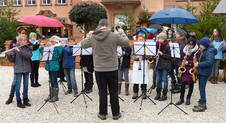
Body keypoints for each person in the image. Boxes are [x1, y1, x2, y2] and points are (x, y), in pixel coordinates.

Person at [81, 19, 129, 120]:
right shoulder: (114, 35)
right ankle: (116, 114)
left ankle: (102, 114)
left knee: (102, 91)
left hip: (99, 68)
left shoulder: (93, 36)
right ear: (108, 25)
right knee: (114, 91)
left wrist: (88, 35)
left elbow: (83, 45)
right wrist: (123, 33)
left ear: (99, 26)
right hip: (112, 68)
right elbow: (126, 43)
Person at [6, 35, 32, 108]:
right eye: (24, 40)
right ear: (19, 41)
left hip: (26, 69)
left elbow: (28, 56)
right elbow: (12, 60)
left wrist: (19, 51)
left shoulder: (28, 48)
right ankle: (18, 101)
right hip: (18, 69)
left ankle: (25, 99)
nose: (25, 41)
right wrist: (9, 55)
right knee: (18, 86)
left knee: (26, 85)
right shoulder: (15, 48)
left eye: (26, 40)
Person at [193, 37, 217, 112]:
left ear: (205, 45)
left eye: (201, 45)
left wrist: (198, 64)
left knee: (202, 88)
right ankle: (202, 101)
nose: (199, 46)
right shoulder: (206, 50)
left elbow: (209, 62)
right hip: (203, 71)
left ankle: (203, 104)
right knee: (201, 88)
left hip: (205, 72)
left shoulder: (209, 52)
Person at [176, 37, 201, 105]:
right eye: (188, 45)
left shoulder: (197, 52)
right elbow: (181, 60)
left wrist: (189, 63)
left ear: (194, 45)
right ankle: (181, 98)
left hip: (191, 69)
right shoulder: (184, 50)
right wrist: (179, 66)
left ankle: (188, 98)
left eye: (191, 45)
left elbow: (197, 61)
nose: (189, 47)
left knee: (191, 84)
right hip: (184, 70)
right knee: (182, 84)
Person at [40, 35, 63, 102]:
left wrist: (56, 46)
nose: (51, 42)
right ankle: (51, 95)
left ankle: (55, 96)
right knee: (51, 80)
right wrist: (41, 48)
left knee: (54, 80)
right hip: (49, 65)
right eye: (51, 41)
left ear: (56, 41)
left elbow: (59, 53)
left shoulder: (58, 47)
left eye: (52, 41)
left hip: (54, 65)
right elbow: (44, 54)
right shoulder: (51, 47)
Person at [131, 34, 150, 99]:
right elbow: (132, 56)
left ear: (144, 40)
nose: (141, 41)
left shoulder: (146, 46)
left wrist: (143, 56)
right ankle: (135, 92)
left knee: (144, 77)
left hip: (144, 62)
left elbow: (149, 56)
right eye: (139, 39)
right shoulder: (134, 46)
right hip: (137, 63)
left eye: (142, 39)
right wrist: (136, 57)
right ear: (137, 40)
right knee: (136, 77)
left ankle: (143, 92)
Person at [154, 32, 171, 101]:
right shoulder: (156, 46)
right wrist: (155, 56)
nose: (160, 40)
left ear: (164, 39)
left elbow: (169, 57)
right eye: (159, 39)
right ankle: (158, 93)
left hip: (165, 65)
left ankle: (164, 94)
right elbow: (153, 54)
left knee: (165, 80)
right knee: (158, 79)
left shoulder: (167, 46)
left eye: (161, 39)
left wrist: (162, 54)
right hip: (158, 65)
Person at [170, 29, 187, 94]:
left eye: (177, 34)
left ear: (181, 35)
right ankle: (174, 82)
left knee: (178, 73)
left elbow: (179, 52)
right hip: (173, 60)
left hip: (178, 60)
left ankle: (179, 85)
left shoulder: (181, 42)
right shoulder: (176, 41)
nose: (175, 35)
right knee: (170, 71)